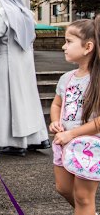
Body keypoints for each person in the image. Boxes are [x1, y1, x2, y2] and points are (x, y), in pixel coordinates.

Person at [0, 0, 50, 157]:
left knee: (8, 102)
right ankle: (38, 138)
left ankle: (16, 144)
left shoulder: (2, 14)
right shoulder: (27, 13)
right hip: (25, 64)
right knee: (28, 100)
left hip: (6, 63)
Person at [50, 17, 100, 215]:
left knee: (83, 197)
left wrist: (72, 134)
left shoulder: (96, 80)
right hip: (63, 142)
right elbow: (56, 103)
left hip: (89, 145)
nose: (64, 46)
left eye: (69, 41)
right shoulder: (66, 78)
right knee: (63, 188)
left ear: (88, 47)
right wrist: (55, 120)